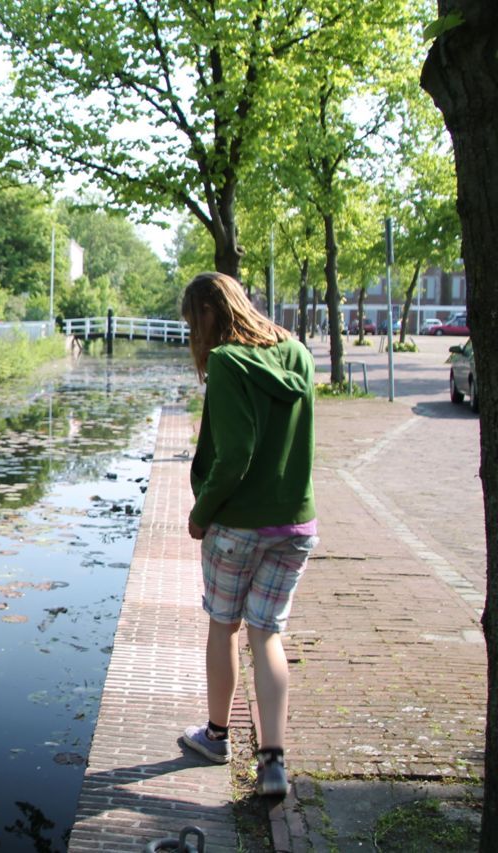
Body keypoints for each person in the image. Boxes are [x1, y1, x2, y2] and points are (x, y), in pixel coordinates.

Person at [177, 271, 319, 798]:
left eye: (192, 322)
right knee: (268, 633)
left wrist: (200, 512)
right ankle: (274, 761)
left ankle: (216, 737)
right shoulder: (297, 353)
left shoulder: (226, 361)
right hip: (296, 524)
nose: (193, 334)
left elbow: (234, 457)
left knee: (225, 626)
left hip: (238, 525)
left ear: (208, 314)